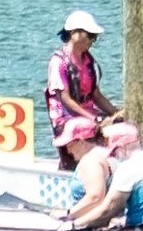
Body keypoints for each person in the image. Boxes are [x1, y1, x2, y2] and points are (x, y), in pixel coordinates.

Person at [70, 118, 143, 231]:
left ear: (122, 147)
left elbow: (107, 211)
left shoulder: (129, 167)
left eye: (114, 152)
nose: (114, 156)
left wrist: (74, 224)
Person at [46, 10, 112, 170]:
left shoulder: (88, 60)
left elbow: (95, 95)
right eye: (90, 35)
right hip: (66, 119)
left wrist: (115, 111)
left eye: (94, 36)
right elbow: (66, 99)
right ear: (74, 33)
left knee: (119, 127)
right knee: (85, 126)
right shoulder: (59, 62)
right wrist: (94, 118)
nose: (92, 40)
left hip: (88, 115)